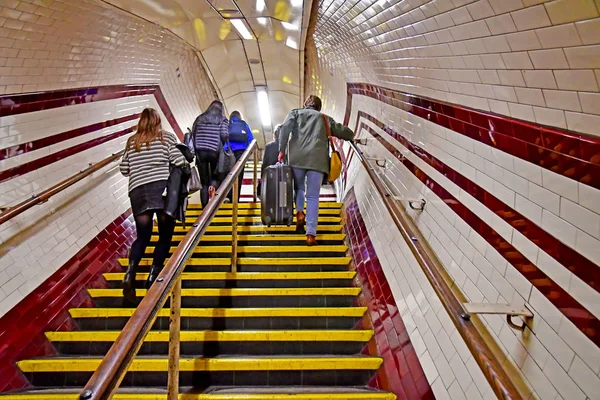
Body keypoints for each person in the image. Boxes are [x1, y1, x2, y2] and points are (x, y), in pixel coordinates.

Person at [119, 108, 188, 304]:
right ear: (158, 121)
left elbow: (124, 169)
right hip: (162, 191)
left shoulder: (132, 142)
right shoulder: (166, 138)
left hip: (138, 192)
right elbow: (177, 160)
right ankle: (152, 277)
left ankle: (129, 275)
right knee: (164, 236)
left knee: (143, 237)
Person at [278, 95, 354, 245]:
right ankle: (310, 234)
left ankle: (299, 213)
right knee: (312, 197)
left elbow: (284, 128)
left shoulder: (295, 113)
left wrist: (281, 150)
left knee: (299, 189)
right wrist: (351, 134)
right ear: (319, 107)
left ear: (306, 104)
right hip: (317, 161)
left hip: (297, 159)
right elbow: (344, 132)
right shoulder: (324, 119)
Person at [191, 100, 229, 207]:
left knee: (204, 182)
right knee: (215, 177)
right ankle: (212, 204)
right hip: (214, 152)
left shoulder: (200, 118)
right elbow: (224, 135)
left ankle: (204, 208)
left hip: (200, 152)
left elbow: (193, 133)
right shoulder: (222, 119)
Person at [227, 111, 254, 202]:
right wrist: (249, 152)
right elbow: (251, 139)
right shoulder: (244, 124)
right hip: (242, 153)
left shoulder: (228, 124)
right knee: (239, 175)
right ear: (239, 117)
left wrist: (225, 148)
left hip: (229, 151)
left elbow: (223, 137)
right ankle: (236, 200)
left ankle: (228, 198)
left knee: (229, 175)